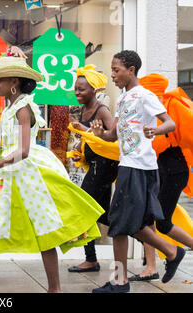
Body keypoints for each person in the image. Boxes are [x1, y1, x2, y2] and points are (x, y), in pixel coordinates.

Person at [0, 54, 105, 293]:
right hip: (7, 175)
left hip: (27, 175)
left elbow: (23, 151)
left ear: (13, 81)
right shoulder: (10, 106)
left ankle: (54, 289)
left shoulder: (23, 108)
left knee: (44, 229)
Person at [90, 50, 185, 293]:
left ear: (131, 70)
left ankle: (120, 282)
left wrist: (156, 131)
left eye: (116, 70)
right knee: (137, 224)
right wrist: (100, 133)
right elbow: (115, 135)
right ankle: (172, 252)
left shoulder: (144, 95)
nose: (113, 75)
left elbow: (170, 123)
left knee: (119, 224)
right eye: (112, 70)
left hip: (138, 168)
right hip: (130, 165)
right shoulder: (122, 99)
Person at [128, 74, 193, 281]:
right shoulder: (154, 107)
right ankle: (153, 267)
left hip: (173, 170)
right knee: (148, 221)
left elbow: (167, 136)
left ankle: (174, 254)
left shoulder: (165, 107)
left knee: (160, 222)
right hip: (161, 170)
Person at [67, 65, 119, 273]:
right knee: (103, 214)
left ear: (94, 90)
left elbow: (113, 136)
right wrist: (79, 150)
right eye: (76, 88)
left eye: (82, 89)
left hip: (104, 167)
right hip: (96, 166)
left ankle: (91, 259)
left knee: (85, 209)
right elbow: (91, 139)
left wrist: (86, 130)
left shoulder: (102, 110)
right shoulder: (84, 109)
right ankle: (140, 234)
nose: (77, 92)